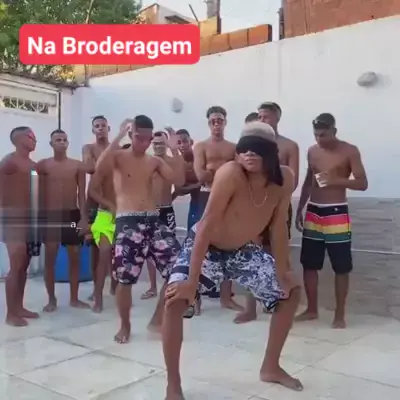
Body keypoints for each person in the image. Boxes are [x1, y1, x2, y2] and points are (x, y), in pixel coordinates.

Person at [163, 122, 303, 399]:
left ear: (271, 152)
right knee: (174, 300)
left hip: (241, 249)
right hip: (208, 245)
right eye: (244, 149)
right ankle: (173, 385)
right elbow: (205, 225)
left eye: (257, 149)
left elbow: (278, 226)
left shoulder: (284, 179)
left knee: (291, 292)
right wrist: (191, 283)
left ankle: (271, 367)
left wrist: (282, 270)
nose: (249, 154)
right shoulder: (230, 173)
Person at [94, 115, 182, 343]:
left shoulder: (154, 162)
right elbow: (100, 167)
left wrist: (174, 151)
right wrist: (118, 136)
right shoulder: (118, 157)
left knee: (179, 268)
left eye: (147, 139)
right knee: (125, 279)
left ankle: (158, 318)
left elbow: (178, 180)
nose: (144, 143)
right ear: (131, 135)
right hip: (128, 221)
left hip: (153, 220)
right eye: (139, 137)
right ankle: (125, 325)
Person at [295, 113, 367, 329]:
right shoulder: (312, 151)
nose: (319, 139)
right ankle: (311, 309)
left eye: (323, 135)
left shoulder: (350, 151)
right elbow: (309, 180)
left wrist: (335, 180)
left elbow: (362, 183)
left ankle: (340, 314)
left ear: (334, 131)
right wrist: (300, 208)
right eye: (316, 135)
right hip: (313, 211)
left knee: (341, 265)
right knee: (309, 264)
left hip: (336, 212)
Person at [235, 102, 300, 323]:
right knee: (251, 253)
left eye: (267, 117)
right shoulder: (249, 146)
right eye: (260, 117)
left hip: (278, 205)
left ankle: (280, 301)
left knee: (279, 252)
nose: (262, 120)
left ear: (277, 118)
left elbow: (292, 180)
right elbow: (241, 176)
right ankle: (250, 308)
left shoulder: (289, 146)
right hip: (254, 205)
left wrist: (270, 190)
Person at [193, 105, 242, 312]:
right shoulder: (201, 147)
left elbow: (239, 174)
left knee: (228, 246)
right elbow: (200, 175)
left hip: (229, 199)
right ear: (208, 123)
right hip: (207, 196)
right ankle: (194, 296)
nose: (216, 124)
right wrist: (223, 173)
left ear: (225, 122)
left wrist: (213, 171)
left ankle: (226, 297)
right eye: (213, 121)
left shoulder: (233, 147)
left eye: (220, 120)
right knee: (201, 245)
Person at [37, 130, 89, 312]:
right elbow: (37, 192)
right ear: (51, 144)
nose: (62, 142)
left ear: (68, 143)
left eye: (64, 139)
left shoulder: (77, 166)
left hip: (71, 215)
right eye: (58, 140)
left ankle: (74, 298)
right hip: (50, 216)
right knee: (50, 258)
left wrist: (83, 218)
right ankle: (51, 299)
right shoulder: (43, 165)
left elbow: (81, 194)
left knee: (74, 257)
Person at [0, 127, 41, 326]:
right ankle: (10, 314)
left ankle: (19, 307)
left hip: (30, 219)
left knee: (24, 265)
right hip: (12, 218)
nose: (34, 139)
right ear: (19, 138)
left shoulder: (33, 165)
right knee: (16, 264)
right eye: (31, 136)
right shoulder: (9, 162)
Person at [141, 130, 185, 300]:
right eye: (156, 143)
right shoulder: (147, 162)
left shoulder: (172, 161)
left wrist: (175, 151)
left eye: (162, 143)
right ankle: (152, 287)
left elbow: (180, 183)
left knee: (171, 249)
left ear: (166, 144)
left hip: (166, 210)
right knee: (149, 251)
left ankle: (170, 286)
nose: (158, 146)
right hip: (150, 211)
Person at [82, 115, 117, 298]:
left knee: (115, 248)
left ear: (108, 128)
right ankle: (97, 290)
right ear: (93, 130)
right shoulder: (88, 148)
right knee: (95, 248)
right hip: (94, 201)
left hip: (113, 201)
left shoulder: (117, 148)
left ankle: (114, 286)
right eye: (97, 126)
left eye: (103, 125)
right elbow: (89, 167)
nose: (101, 128)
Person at [87, 142, 117, 313]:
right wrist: (109, 204)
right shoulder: (105, 169)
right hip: (105, 216)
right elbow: (92, 191)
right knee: (104, 253)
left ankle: (116, 289)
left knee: (120, 257)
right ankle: (98, 297)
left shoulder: (130, 172)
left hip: (124, 217)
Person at [172, 129, 201, 232]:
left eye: (185, 141)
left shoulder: (201, 158)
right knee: (192, 233)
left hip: (207, 201)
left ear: (191, 142)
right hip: (195, 203)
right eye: (178, 143)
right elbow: (179, 190)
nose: (182, 145)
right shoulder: (177, 162)